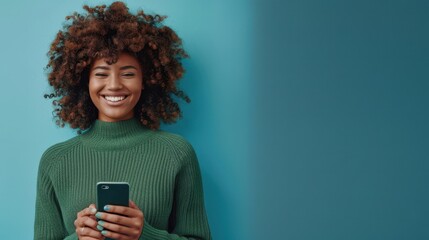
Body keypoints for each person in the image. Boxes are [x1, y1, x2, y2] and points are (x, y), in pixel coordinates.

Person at [34, 2, 211, 239]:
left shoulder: (176, 153)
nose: (115, 84)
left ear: (145, 80)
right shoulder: (55, 160)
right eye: (101, 74)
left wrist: (145, 234)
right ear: (84, 82)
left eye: (128, 73)